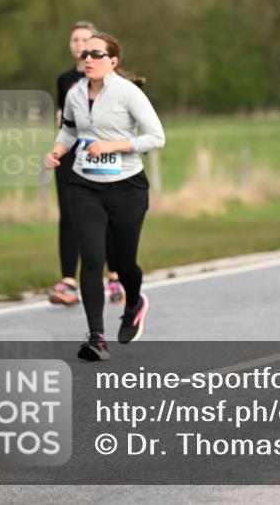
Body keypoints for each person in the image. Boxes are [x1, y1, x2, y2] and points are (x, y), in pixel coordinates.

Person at [44, 32, 165, 360]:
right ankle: (96, 336)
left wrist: (113, 145)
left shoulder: (128, 93)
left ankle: (134, 303)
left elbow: (156, 137)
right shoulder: (74, 93)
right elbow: (69, 129)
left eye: (96, 54)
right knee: (93, 257)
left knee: (124, 263)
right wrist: (57, 149)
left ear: (113, 61)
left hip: (127, 187)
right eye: (84, 54)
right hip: (85, 186)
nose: (88, 59)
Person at [49, 22, 123, 306]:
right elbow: (64, 116)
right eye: (75, 40)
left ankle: (115, 276)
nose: (80, 45)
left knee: (103, 217)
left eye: (85, 40)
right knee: (68, 215)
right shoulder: (64, 80)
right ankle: (68, 281)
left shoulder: (111, 79)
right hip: (71, 156)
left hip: (100, 153)